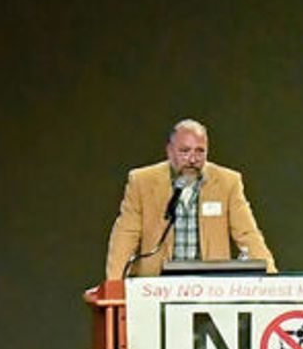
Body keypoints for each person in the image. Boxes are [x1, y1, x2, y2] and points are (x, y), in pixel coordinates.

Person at [104, 117, 275, 281]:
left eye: (200, 151)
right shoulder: (142, 181)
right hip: (156, 287)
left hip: (209, 286)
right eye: (185, 152)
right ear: (170, 151)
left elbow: (247, 234)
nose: (192, 160)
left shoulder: (227, 182)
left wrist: (273, 280)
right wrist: (114, 284)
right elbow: (126, 235)